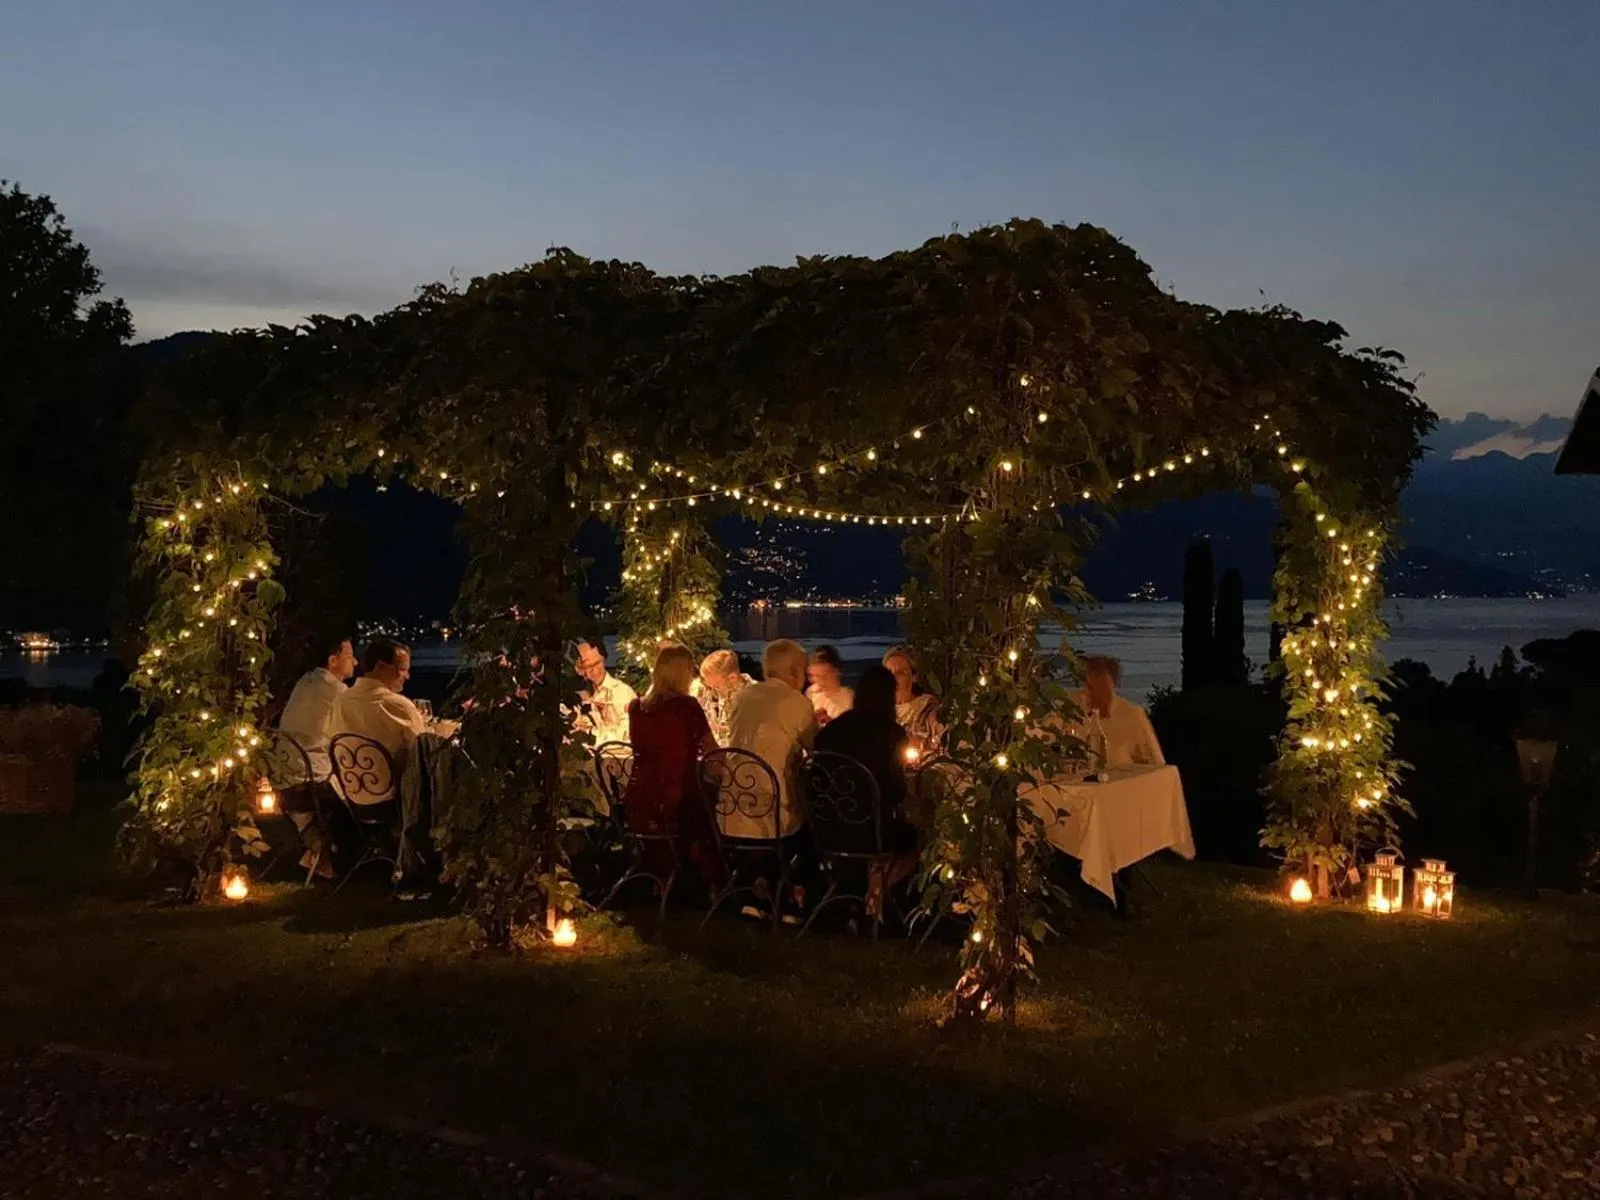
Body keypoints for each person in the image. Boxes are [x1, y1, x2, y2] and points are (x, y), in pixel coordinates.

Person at [622, 644, 722, 891]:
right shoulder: (687, 707)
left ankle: (662, 876)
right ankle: (709, 884)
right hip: (675, 799)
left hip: (638, 797)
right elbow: (714, 751)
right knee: (715, 807)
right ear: (683, 671)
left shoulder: (637, 708)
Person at [275, 634, 356, 878]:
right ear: (333, 661)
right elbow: (352, 732)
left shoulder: (306, 682)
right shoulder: (335, 691)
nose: (356, 662)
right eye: (350, 657)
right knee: (365, 787)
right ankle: (354, 855)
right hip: (309, 779)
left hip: (284, 772)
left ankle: (320, 851)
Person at [726, 638, 817, 838]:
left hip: (730, 814)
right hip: (774, 818)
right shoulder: (798, 702)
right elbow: (816, 753)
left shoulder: (742, 697)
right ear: (794, 672)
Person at [333, 639, 426, 761]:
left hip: (348, 778)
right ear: (380, 666)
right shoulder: (399, 705)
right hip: (394, 779)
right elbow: (424, 750)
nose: (407, 676)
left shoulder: (340, 700)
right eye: (402, 669)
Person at [1074, 655, 1164, 769]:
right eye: (1091, 687)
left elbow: (1156, 764)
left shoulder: (1132, 715)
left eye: (1101, 687)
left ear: (1113, 685)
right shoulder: (1070, 711)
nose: (1095, 693)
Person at [574, 640, 637, 747]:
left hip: (618, 758)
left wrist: (591, 733)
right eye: (588, 666)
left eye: (597, 663)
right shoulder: (584, 695)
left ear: (603, 661)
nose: (594, 669)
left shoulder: (622, 691)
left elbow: (627, 732)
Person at [883, 645, 943, 753]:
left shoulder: (927, 709)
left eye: (900, 673)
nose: (893, 679)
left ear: (914, 677)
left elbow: (940, 741)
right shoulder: (879, 712)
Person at [692, 648, 753, 746]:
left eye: (716, 686)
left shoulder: (755, 697)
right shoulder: (720, 690)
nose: (713, 690)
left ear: (732, 678)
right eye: (709, 686)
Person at [805, 645, 854, 726]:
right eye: (815, 676)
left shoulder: (849, 699)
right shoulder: (811, 693)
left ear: (836, 671)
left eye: (824, 676)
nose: (820, 682)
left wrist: (831, 724)